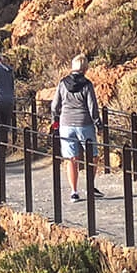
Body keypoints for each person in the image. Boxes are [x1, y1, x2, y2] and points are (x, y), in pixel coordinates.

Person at [50, 55, 102, 201]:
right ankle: (90, 186)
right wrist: (98, 124)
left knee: (71, 158)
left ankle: (74, 191)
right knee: (93, 155)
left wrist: (55, 120)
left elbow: (55, 106)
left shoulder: (62, 83)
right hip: (84, 124)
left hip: (66, 124)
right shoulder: (87, 84)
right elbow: (92, 107)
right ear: (85, 68)